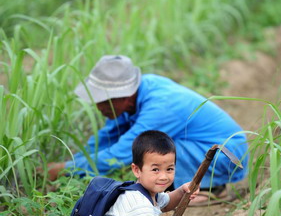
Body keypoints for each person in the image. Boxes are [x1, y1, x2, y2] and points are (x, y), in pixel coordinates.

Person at [48, 55, 249, 204]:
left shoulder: (161, 106)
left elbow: (121, 154)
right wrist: (71, 163)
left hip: (224, 155)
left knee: (157, 146)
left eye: (102, 101)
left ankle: (210, 187)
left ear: (123, 97)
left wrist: (63, 170)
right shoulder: (135, 95)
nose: (98, 107)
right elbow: (106, 137)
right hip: (206, 146)